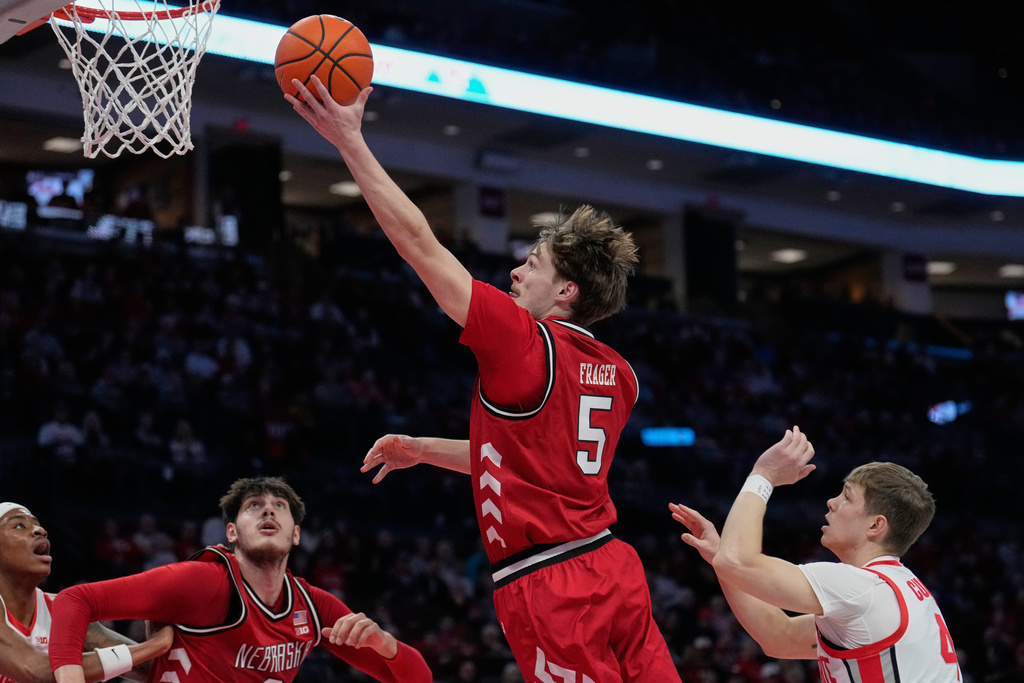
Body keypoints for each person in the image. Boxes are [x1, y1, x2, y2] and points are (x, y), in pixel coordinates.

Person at [287, 78, 680, 682]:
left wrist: (349, 142)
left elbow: (420, 243)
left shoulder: (525, 342)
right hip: (612, 565)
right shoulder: (620, 374)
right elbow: (527, 464)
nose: (516, 273)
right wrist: (421, 448)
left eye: (532, 264)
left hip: (552, 583)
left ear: (566, 292)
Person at [49, 477, 431, 683]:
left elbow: (419, 678)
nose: (268, 509)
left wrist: (385, 644)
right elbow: (75, 600)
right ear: (231, 532)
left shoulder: (314, 607)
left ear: (296, 534)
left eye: (279, 506)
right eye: (254, 506)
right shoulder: (202, 583)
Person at [670, 427, 962, 682]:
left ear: (876, 525)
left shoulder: (863, 588)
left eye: (846, 497)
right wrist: (722, 560)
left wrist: (763, 475)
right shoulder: (896, 589)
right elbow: (779, 637)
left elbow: (738, 561)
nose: (832, 502)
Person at [0, 502, 172, 683]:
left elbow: (153, 668)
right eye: (19, 525)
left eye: (37, 524)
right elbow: (34, 670)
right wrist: (154, 645)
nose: (40, 530)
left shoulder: (61, 609)